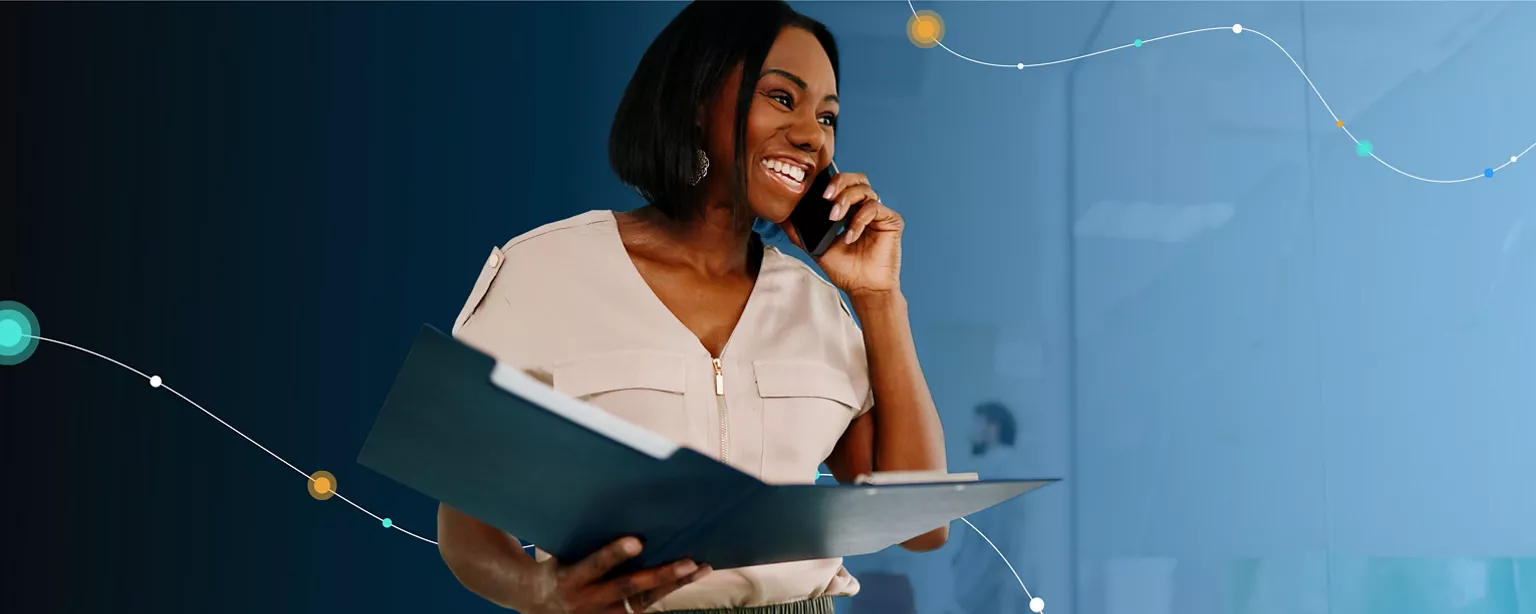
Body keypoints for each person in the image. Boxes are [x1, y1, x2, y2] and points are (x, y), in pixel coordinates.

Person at [435, 2, 950, 613]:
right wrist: (538, 591)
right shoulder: (543, 272)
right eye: (782, 98)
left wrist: (878, 298)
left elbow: (922, 525)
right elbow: (463, 516)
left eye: (828, 117)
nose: (814, 136)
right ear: (698, 98)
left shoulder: (819, 307)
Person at [949, 402, 1027, 614]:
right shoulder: (992, 470)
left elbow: (999, 538)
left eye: (977, 423)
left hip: (993, 587)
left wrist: (972, 583)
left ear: (993, 428)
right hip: (983, 584)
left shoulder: (1005, 473)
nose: (970, 431)